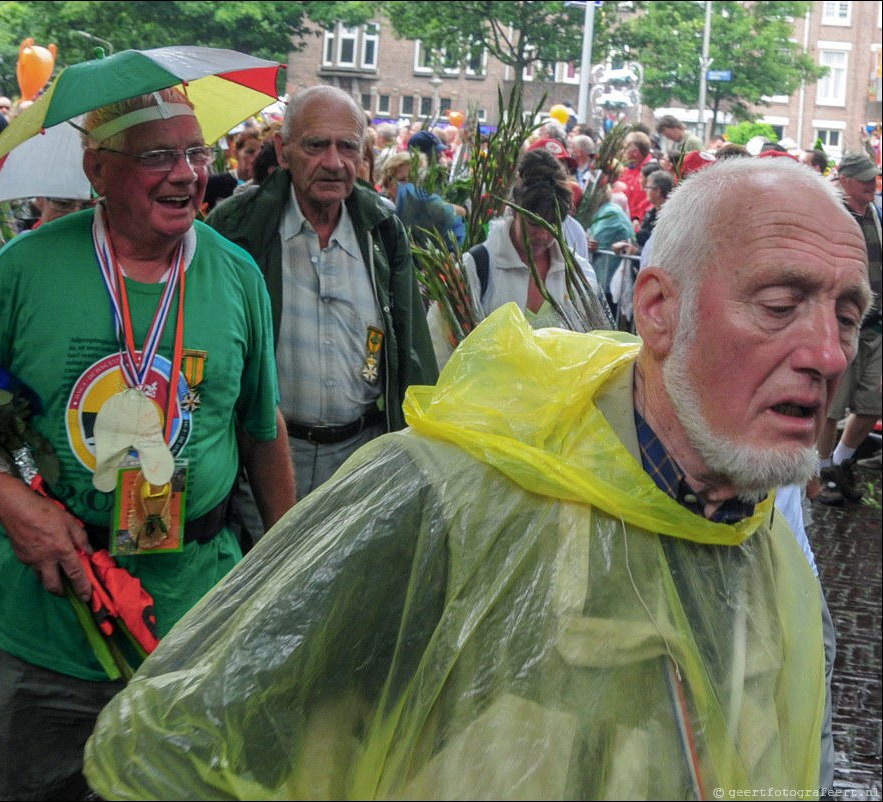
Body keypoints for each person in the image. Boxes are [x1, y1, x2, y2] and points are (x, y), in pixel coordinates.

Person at [84, 156, 869, 799]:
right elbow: (180, 750)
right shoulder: (441, 497)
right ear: (658, 311)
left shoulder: (771, 550)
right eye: (779, 304)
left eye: (847, 313)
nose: (828, 354)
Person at [0, 87, 294, 800]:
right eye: (158, 155)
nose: (187, 173)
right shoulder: (20, 274)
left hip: (190, 629)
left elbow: (261, 427)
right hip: (37, 635)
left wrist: (286, 567)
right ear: (96, 170)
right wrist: (15, 509)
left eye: (196, 152)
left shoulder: (237, 276)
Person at [206, 85, 437, 530]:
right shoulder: (237, 229)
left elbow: (412, 355)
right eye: (317, 145)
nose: (334, 162)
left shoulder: (383, 231)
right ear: (284, 150)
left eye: (347, 147)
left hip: (359, 459)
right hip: (265, 461)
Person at [427, 148, 602, 368]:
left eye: (552, 226)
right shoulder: (476, 267)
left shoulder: (578, 271)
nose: (543, 235)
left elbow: (593, 344)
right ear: (514, 211)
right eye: (533, 224)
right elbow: (440, 348)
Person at [814, 150, 881, 506]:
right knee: (832, 405)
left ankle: (840, 460)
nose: (873, 184)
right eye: (867, 179)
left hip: (876, 324)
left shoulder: (876, 212)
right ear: (848, 180)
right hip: (840, 322)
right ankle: (824, 470)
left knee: (874, 401)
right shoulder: (831, 211)